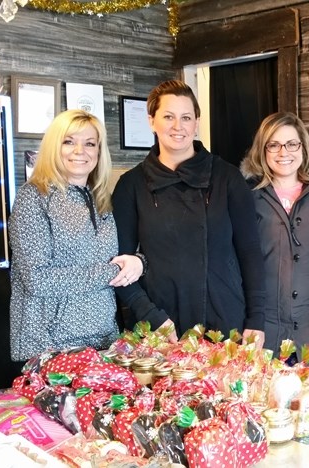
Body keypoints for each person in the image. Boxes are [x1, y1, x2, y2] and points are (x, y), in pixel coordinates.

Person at [112, 80, 266, 346]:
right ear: (151, 121)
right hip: (162, 327)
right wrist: (149, 314)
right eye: (168, 117)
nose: (178, 126)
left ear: (196, 122)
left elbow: (250, 251)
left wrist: (257, 319)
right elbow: (120, 266)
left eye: (186, 117)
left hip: (226, 320)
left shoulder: (227, 177)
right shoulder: (131, 185)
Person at [8, 109, 142, 362]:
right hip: (50, 348)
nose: (80, 151)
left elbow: (115, 258)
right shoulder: (33, 197)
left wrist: (138, 262)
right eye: (69, 142)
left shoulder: (99, 198)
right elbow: (37, 279)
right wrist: (113, 271)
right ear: (53, 147)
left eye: (90, 143)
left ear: (99, 152)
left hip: (103, 341)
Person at [240, 112, 309, 355]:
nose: (283, 153)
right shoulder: (247, 196)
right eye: (273, 145)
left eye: (291, 144)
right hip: (263, 328)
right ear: (262, 150)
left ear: (303, 147)